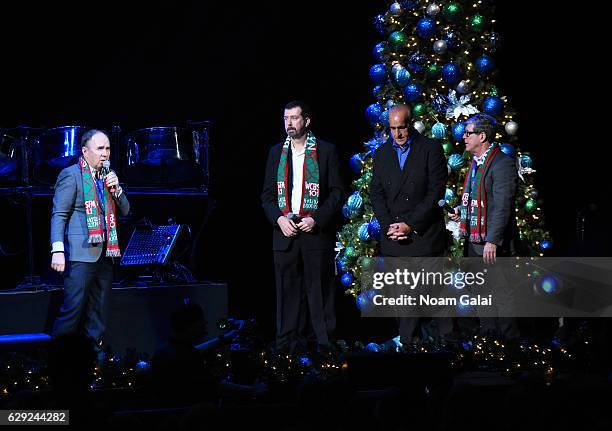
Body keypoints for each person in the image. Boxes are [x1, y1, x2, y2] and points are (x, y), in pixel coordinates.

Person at [261, 101, 345, 353]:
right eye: (286, 118)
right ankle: (286, 348)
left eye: (294, 118)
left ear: (306, 121)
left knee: (319, 290)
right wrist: (279, 219)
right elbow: (267, 196)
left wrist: (316, 219)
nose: (289, 123)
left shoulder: (326, 150)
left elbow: (338, 192)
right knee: (287, 292)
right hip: (285, 231)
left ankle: (324, 346)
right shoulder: (276, 152)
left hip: (314, 231)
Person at [370, 104, 450, 347]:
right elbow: (377, 192)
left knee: (434, 302)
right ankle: (409, 350)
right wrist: (388, 226)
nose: (397, 133)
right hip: (395, 240)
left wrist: (410, 225)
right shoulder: (382, 153)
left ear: (411, 124)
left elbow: (436, 191)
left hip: (424, 237)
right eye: (393, 128)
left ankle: (445, 352)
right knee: (404, 305)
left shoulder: (430, 149)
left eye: (402, 127)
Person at [50, 129, 130, 361]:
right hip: (80, 254)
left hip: (106, 253)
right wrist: (58, 249)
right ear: (85, 151)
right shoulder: (71, 175)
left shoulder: (108, 177)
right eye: (99, 149)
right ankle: (56, 362)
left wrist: (117, 188)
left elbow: (125, 210)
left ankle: (94, 363)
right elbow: (59, 214)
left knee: (98, 313)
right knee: (72, 312)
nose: (105, 154)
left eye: (107, 149)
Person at [448, 113, 519, 338]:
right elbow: (474, 198)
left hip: (491, 244)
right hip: (474, 242)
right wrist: (462, 211)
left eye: (468, 133)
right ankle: (489, 341)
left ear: (482, 136)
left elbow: (502, 207)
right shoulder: (475, 164)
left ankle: (510, 343)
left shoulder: (501, 164)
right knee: (482, 293)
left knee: (501, 293)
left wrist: (492, 240)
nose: (464, 137)